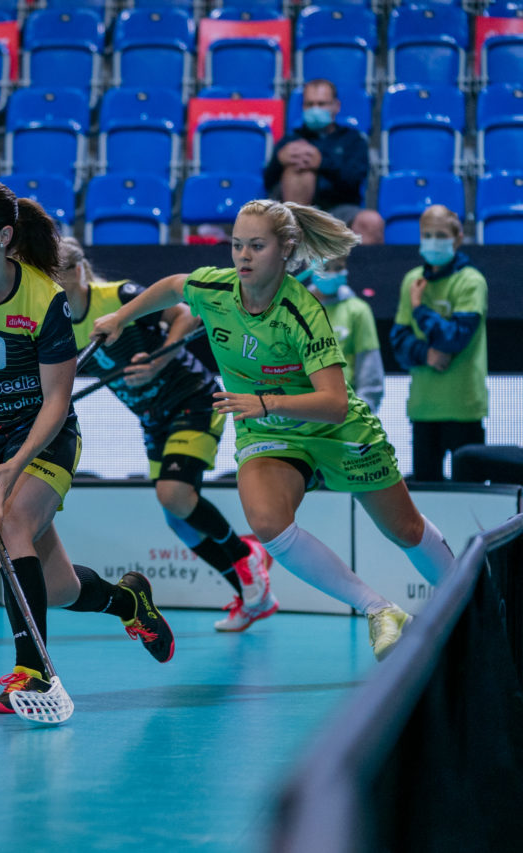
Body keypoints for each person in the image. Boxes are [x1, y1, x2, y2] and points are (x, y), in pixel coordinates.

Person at [91, 200, 457, 661]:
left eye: (256, 246)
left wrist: (265, 402)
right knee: (267, 523)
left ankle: (471, 600)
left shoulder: (303, 311)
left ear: (285, 250)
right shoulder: (215, 288)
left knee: (404, 528)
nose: (242, 256)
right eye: (237, 245)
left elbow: (334, 403)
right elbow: (171, 286)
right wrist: (120, 317)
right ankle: (379, 609)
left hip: (334, 430)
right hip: (271, 434)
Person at [0, 177, 175, 716]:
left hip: (41, 435)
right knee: (61, 588)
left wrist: (17, 464)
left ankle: (34, 673)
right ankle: (128, 600)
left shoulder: (43, 299)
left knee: (14, 522)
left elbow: (56, 399)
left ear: (3, 237)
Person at [57, 236, 277, 632]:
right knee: (179, 520)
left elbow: (185, 317)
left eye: (54, 274)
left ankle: (247, 554)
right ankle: (251, 596)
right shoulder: (57, 324)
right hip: (152, 417)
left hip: (190, 396)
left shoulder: (120, 296)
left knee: (174, 494)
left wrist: (158, 365)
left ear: (76, 271)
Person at [390, 205, 488, 482]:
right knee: (428, 498)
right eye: (427, 234)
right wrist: (426, 354)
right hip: (423, 408)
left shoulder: (471, 281)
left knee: (472, 499)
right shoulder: (412, 279)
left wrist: (419, 307)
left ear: (457, 239)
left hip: (464, 406)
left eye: (441, 235)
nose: (433, 241)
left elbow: (455, 337)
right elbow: (398, 341)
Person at [263, 79, 384, 245]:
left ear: (336, 106)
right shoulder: (291, 141)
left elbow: (354, 180)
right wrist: (278, 160)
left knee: (371, 221)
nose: (315, 109)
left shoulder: (353, 140)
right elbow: (268, 184)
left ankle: (359, 271)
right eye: (309, 104)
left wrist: (322, 163)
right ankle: (300, 239)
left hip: (339, 210)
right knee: (299, 164)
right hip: (297, 213)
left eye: (321, 104)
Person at [308, 256, 385, 413]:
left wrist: (363, 411)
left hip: (345, 411)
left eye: (338, 268)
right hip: (301, 412)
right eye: (325, 268)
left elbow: (369, 365)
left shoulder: (358, 310)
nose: (332, 273)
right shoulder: (295, 309)